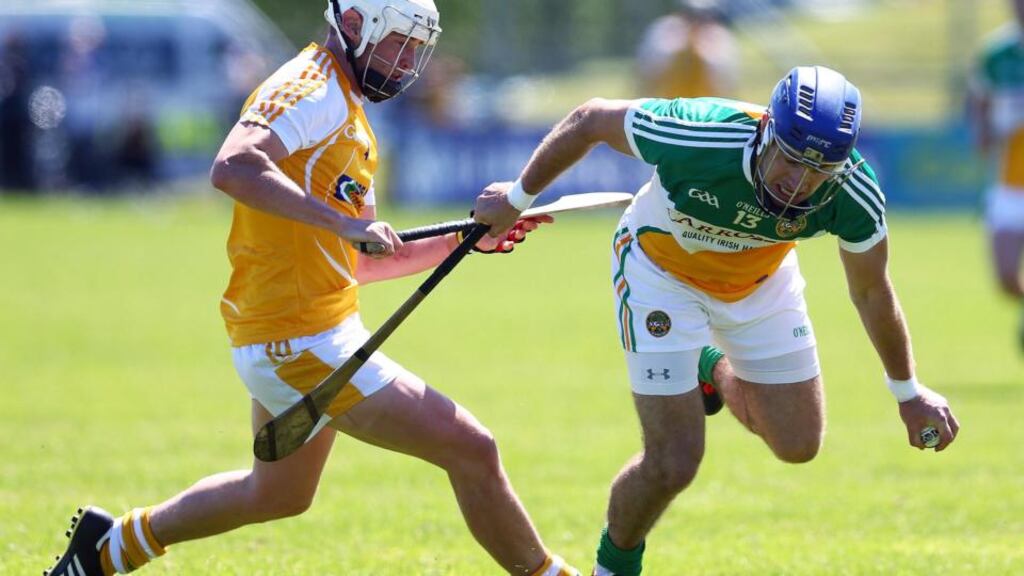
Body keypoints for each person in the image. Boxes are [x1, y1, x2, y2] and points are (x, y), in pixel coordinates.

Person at [45, 1, 579, 575]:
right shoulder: (309, 86)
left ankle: (111, 547)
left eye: (415, 49)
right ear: (354, 24)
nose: (406, 63)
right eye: (397, 43)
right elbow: (233, 165)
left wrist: (465, 241)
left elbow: (362, 263)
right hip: (296, 339)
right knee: (473, 449)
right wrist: (345, 222)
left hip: (315, 329)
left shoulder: (349, 109)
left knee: (276, 495)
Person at [473, 65, 961, 576]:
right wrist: (515, 200)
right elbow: (590, 118)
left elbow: (870, 288)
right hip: (662, 271)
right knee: (674, 462)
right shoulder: (700, 133)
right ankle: (613, 567)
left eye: (818, 173)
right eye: (790, 162)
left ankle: (709, 366)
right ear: (767, 131)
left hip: (761, 282)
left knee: (798, 445)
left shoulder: (853, 192)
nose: (798, 185)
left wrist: (908, 392)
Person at [968, 0, 1024, 350]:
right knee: (1005, 277)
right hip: (1009, 184)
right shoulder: (996, 54)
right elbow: (980, 111)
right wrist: (989, 129)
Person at [635, 0, 737, 99]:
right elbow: (648, 71)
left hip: (704, 109)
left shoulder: (718, 37)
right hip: (667, 105)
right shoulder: (664, 30)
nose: (696, 20)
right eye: (691, 14)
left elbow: (726, 81)